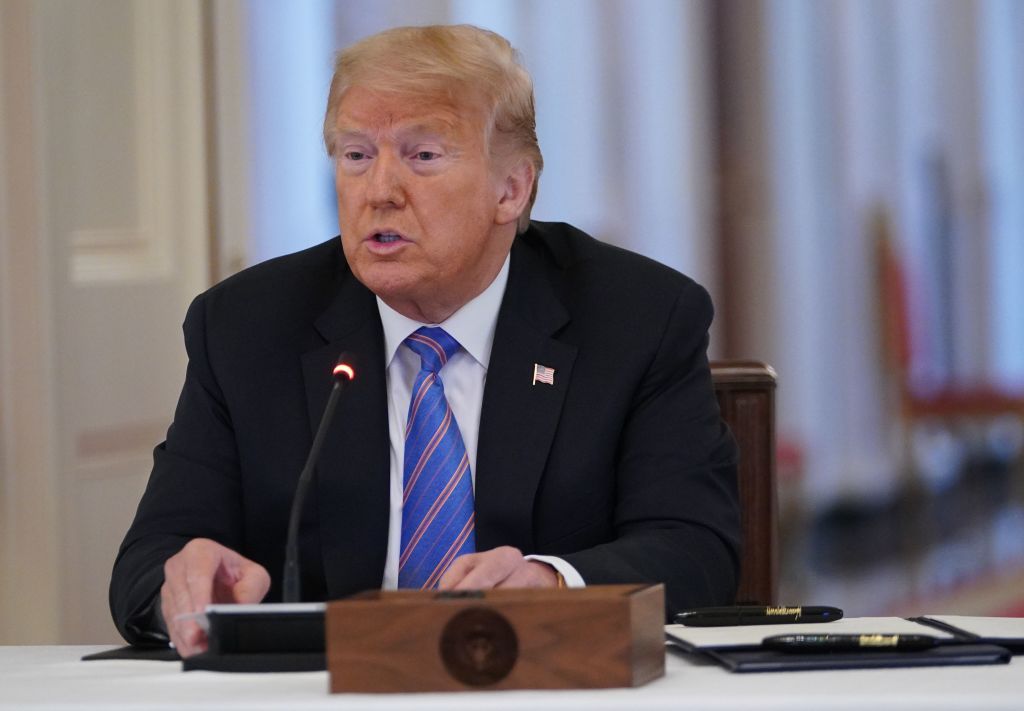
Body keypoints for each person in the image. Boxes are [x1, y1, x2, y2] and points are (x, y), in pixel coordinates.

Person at [110, 24, 740, 657]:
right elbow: (148, 564)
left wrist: (551, 583)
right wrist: (184, 586)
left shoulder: (638, 318)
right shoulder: (247, 327)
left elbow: (695, 551)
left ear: (511, 189)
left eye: (423, 156)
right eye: (356, 155)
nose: (379, 191)